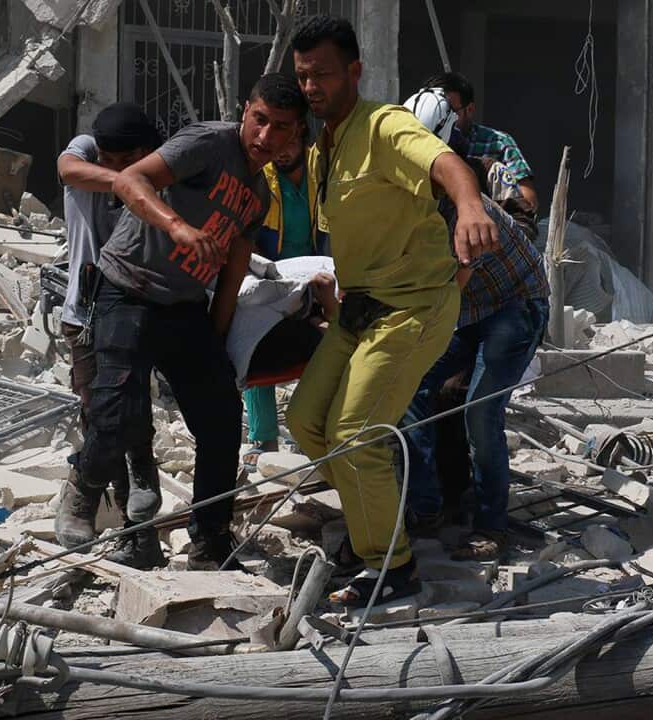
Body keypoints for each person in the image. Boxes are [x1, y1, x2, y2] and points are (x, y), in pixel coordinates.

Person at [284, 16, 500, 607]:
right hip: (359, 309)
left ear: (354, 71)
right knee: (306, 421)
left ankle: (392, 564)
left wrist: (471, 206)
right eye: (303, 77)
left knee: (354, 434)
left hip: (414, 307)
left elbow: (445, 164)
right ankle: (368, 520)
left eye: (322, 74)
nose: (311, 87)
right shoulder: (324, 144)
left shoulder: (385, 125)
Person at [56, 73, 308, 571]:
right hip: (126, 290)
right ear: (245, 111)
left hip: (185, 307)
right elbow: (132, 179)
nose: (265, 137)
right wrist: (178, 227)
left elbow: (237, 262)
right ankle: (82, 491)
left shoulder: (259, 191)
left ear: (295, 134)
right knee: (116, 411)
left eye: (281, 128)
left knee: (219, 419)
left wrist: (217, 332)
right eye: (259, 121)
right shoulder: (207, 143)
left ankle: (210, 541)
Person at [400, 87, 550, 559]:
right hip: (468, 306)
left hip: (514, 303)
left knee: (479, 411)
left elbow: (447, 288)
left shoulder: (470, 197)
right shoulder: (413, 196)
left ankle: (492, 525)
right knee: (409, 388)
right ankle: (424, 506)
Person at [52, 102, 164, 569]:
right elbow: (66, 167)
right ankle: (92, 499)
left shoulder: (156, 176)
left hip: (134, 311)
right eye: (111, 159)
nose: (115, 166)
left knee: (131, 409)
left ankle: (140, 538)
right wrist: (121, 181)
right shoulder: (89, 155)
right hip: (85, 314)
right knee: (102, 417)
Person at [243, 121, 330, 467]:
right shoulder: (263, 178)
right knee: (254, 343)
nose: (281, 149)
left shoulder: (317, 176)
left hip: (314, 276)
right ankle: (263, 438)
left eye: (290, 140)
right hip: (269, 275)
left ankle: (312, 431)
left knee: (319, 352)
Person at [424, 71, 539, 213]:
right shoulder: (417, 144)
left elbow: (529, 202)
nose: (442, 121)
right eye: (437, 112)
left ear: (470, 110)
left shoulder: (498, 143)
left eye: (451, 113)